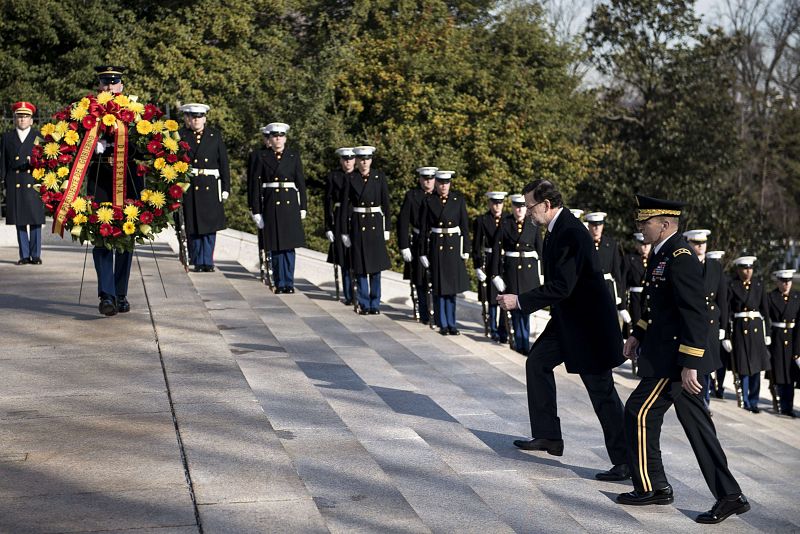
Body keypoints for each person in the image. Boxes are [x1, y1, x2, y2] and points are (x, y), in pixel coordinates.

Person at [618, 195, 749, 525]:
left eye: (645, 223)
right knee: (699, 428)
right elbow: (659, 308)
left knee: (638, 411)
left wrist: (690, 362)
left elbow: (696, 312)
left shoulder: (680, 257)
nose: (640, 228)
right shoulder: (662, 256)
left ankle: (652, 486)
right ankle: (730, 495)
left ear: (663, 225)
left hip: (677, 361)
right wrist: (638, 333)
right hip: (670, 354)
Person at [496, 179, 628, 481]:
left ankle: (626, 462)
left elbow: (563, 287)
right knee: (538, 362)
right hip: (569, 318)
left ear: (546, 204)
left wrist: (520, 301)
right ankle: (548, 435)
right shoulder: (557, 228)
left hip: (588, 325)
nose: (528, 213)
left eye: (531, 207)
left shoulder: (570, 231)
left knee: (602, 392)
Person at [87, 66, 143, 316]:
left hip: (128, 183)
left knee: (125, 240)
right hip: (99, 184)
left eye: (114, 83)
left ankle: (120, 294)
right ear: (99, 86)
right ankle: (106, 295)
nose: (109, 87)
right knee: (100, 239)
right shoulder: (88, 112)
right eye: (105, 83)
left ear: (121, 86)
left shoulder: (135, 113)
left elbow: (144, 147)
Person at [247, 122, 307, 293]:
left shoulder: (293, 156)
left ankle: (289, 282)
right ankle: (280, 283)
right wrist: (256, 210)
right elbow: (255, 185)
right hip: (271, 203)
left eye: (281, 136)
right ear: (270, 139)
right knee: (275, 246)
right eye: (274, 136)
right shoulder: (261, 156)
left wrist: (303, 205)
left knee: (289, 246)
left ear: (285, 138)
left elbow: (300, 182)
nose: (278, 139)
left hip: (290, 204)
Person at [178, 103, 231, 272]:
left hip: (210, 184)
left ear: (205, 118)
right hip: (191, 184)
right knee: (193, 225)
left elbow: (223, 164)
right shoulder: (181, 135)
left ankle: (207, 260)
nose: (197, 120)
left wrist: (225, 188)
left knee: (209, 226)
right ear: (188, 119)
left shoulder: (215, 136)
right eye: (194, 117)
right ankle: (196, 259)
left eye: (200, 117)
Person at [340, 145, 391, 314]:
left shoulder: (379, 177)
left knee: (375, 268)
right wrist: (344, 231)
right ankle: (364, 302)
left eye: (367, 159)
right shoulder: (350, 178)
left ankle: (375, 303)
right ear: (358, 161)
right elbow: (344, 206)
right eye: (362, 159)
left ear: (371, 160)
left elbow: (386, 204)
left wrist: (387, 227)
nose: (364, 162)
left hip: (375, 223)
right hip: (357, 224)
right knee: (360, 268)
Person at [419, 170, 470, 335]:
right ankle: (443, 323)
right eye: (440, 183)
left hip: (453, 246)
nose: (443, 186)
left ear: (450, 184)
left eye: (446, 183)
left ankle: (452, 323)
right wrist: (422, 253)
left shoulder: (458, 200)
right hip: (437, 245)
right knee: (440, 288)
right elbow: (424, 229)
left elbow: (464, 227)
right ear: (436, 184)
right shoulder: (429, 200)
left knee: (452, 289)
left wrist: (466, 249)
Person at [491, 194, 543, 353]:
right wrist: (495, 275)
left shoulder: (534, 223)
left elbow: (540, 251)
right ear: (512, 207)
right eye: (516, 206)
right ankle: (517, 341)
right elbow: (496, 251)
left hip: (529, 272)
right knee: (514, 308)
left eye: (522, 206)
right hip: (511, 271)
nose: (519, 209)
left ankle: (524, 343)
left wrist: (542, 274)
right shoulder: (505, 222)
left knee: (525, 308)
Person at [684, 229, 727, 410]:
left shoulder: (715, 266)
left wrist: (724, 327)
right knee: (694, 362)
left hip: (711, 322)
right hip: (693, 321)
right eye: (696, 242)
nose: (700, 246)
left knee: (708, 365)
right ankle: (696, 399)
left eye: (703, 242)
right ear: (689, 244)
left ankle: (705, 400)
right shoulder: (684, 263)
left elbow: (722, 299)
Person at [727, 256, 771, 413]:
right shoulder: (732, 285)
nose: (748, 272)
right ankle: (744, 399)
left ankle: (754, 400)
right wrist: (726, 334)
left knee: (757, 368)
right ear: (739, 270)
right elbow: (728, 310)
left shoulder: (759, 284)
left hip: (756, 328)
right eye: (745, 269)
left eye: (750, 268)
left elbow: (765, 310)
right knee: (743, 367)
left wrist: (768, 332)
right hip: (740, 328)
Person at [1, 101, 44, 265]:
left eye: (26, 116)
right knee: (20, 220)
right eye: (19, 116)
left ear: (32, 120)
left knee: (35, 220)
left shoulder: (38, 137)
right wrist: (3, 182)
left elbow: (45, 162)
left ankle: (36, 254)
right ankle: (24, 255)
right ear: (15, 119)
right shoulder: (7, 137)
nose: (22, 119)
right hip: (15, 181)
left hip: (33, 182)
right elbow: (3, 161)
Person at [397, 166, 437, 322]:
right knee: (419, 281)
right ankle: (424, 313)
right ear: (420, 179)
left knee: (436, 280)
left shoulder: (440, 196)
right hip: (417, 241)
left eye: (431, 178)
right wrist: (404, 245)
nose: (428, 181)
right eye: (425, 178)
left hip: (435, 242)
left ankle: (436, 313)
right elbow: (403, 221)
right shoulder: (412, 196)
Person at [472, 191, 508, 342]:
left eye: (499, 203)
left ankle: (503, 329)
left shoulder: (508, 219)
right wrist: (478, 266)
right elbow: (476, 245)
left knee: (505, 298)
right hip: (489, 260)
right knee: (492, 299)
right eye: (494, 203)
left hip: (505, 262)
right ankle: (493, 328)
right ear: (489, 203)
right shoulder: (482, 220)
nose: (497, 206)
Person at [325, 147, 357, 304]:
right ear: (341, 161)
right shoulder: (334, 176)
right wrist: (328, 227)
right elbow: (328, 202)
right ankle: (349, 295)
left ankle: (358, 292)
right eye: (345, 159)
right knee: (344, 258)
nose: (348, 162)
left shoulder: (360, 177)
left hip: (357, 217)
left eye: (351, 159)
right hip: (339, 218)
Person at [586, 212, 629, 325]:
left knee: (608, 322)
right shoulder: (583, 243)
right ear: (589, 226)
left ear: (602, 226)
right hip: (588, 286)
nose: (596, 228)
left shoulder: (611, 244)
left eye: (599, 225)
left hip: (607, 288)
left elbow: (616, 271)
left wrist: (619, 294)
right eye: (593, 225)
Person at [767, 269, 799, 417]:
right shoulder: (771, 297)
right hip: (777, 339)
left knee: (791, 375)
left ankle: (789, 406)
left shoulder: (797, 297)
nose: (786, 284)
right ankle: (779, 403)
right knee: (778, 373)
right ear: (778, 282)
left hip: (792, 339)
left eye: (789, 282)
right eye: (783, 281)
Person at [622, 233, 651, 338]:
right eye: (643, 244)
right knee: (636, 326)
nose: (645, 247)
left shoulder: (654, 258)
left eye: (648, 244)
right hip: (635, 299)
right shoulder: (630, 259)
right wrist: (622, 307)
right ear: (637, 245)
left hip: (649, 298)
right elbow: (623, 283)